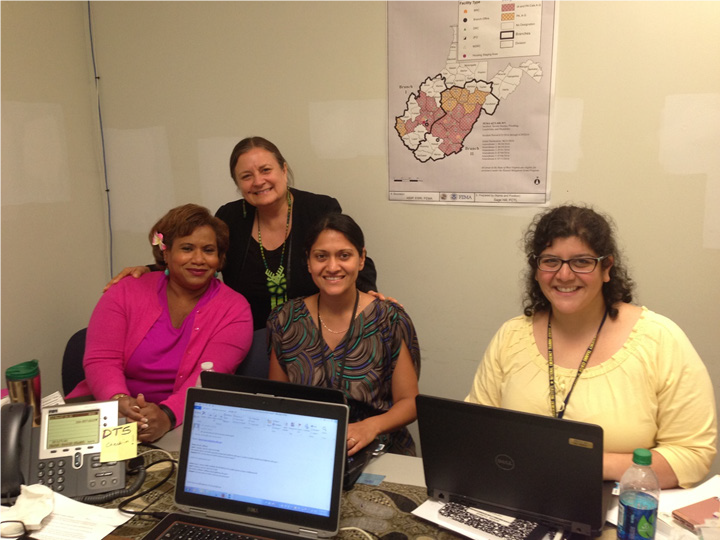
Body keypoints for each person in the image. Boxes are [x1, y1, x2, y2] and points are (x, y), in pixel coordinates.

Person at [465, 204, 716, 489]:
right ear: (536, 270)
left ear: (606, 268)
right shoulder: (511, 336)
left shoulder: (660, 339)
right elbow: (476, 430)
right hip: (519, 496)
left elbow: (693, 455)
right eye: (550, 261)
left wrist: (586, 463)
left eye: (582, 262)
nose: (564, 275)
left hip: (618, 512)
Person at [106, 136, 378, 331]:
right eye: (246, 176)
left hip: (314, 332)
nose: (258, 181)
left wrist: (370, 296)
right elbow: (202, 258)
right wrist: (150, 268)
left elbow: (348, 260)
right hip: (248, 334)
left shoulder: (319, 208)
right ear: (238, 184)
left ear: (284, 170)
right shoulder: (231, 216)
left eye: (266, 170)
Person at [68, 204, 253, 442]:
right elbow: (101, 359)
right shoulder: (124, 291)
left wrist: (166, 415)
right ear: (165, 252)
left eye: (208, 250)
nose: (198, 259)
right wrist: (119, 402)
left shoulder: (235, 309)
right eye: (187, 248)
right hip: (106, 410)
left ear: (219, 258)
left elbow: (208, 380)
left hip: (184, 420)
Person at [267, 214, 420, 456]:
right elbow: (278, 400)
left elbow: (410, 403)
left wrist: (370, 427)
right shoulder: (285, 320)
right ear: (308, 263)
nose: (332, 267)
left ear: (361, 259)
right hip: (307, 448)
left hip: (379, 449)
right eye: (321, 256)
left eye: (344, 255)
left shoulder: (389, 319)